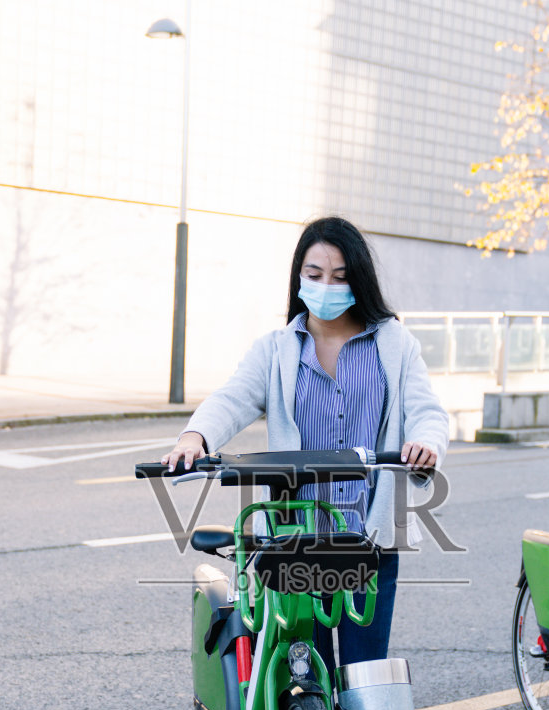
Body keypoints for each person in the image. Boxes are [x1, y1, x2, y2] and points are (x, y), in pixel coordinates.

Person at [161, 216, 449, 669]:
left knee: (363, 676)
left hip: (366, 538)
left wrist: (425, 444)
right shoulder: (277, 348)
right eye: (315, 276)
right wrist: (194, 436)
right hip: (297, 535)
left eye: (340, 276)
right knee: (303, 671)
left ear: (360, 280)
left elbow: (427, 411)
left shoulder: (394, 343)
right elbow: (233, 397)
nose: (327, 287)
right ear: (299, 278)